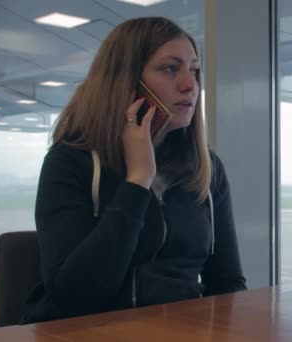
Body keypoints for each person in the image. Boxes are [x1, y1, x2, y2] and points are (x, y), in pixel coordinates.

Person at [21, 17, 246, 324]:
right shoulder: (71, 162)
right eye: (170, 68)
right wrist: (138, 180)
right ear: (126, 81)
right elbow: (75, 299)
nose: (190, 84)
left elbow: (228, 283)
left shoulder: (206, 168)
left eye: (194, 70)